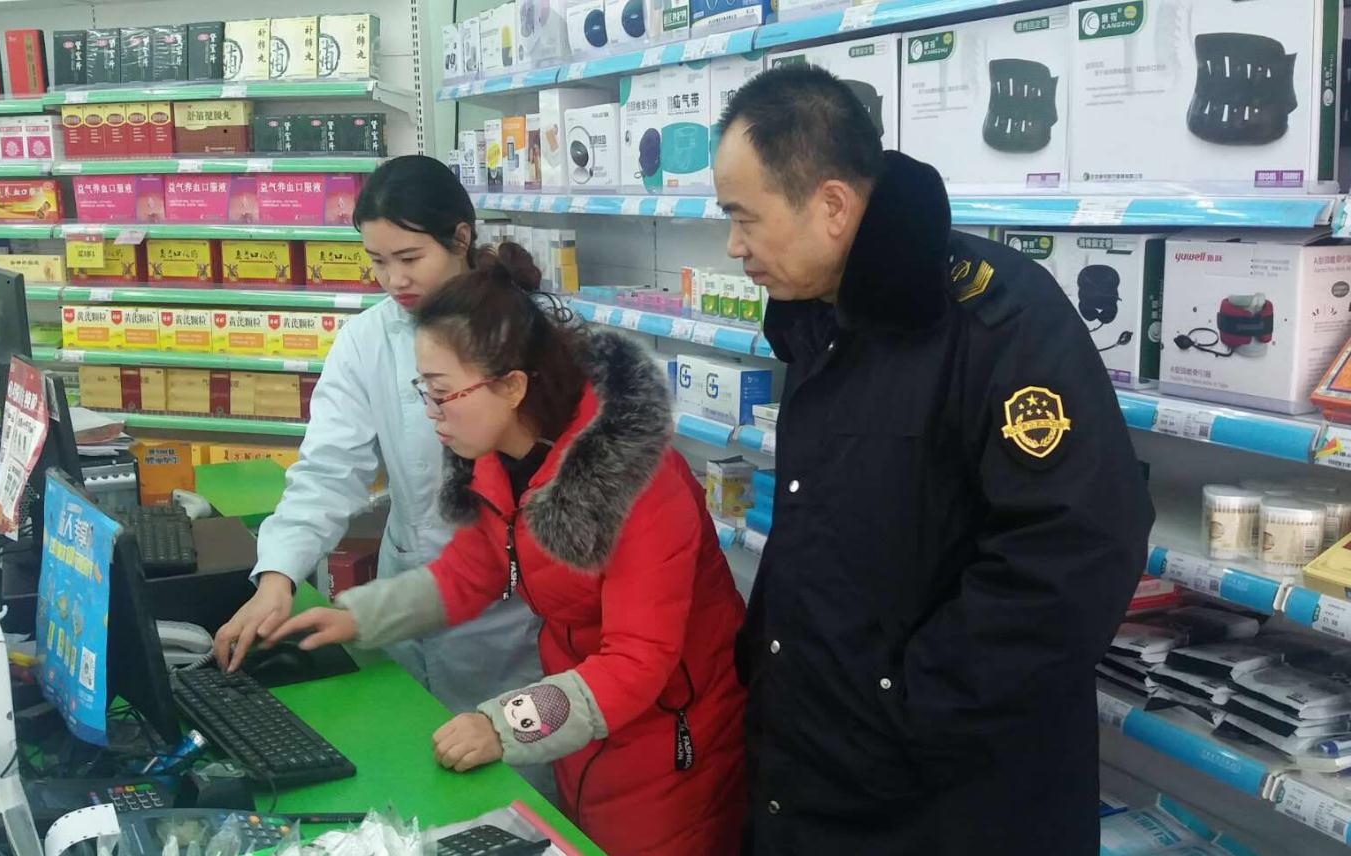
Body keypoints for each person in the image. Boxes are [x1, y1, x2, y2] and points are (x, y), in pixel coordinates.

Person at [712, 65, 1154, 854]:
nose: (733, 245)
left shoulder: (999, 322)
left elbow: (1075, 552)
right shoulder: (820, 319)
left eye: (744, 218)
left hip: (947, 802)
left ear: (833, 206)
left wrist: (910, 710)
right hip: (824, 776)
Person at [268, 244, 747, 856]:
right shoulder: (503, 456)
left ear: (513, 386)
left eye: (442, 392)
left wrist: (502, 724)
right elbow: (470, 572)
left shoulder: (637, 482)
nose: (431, 414)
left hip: (671, 738)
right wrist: (355, 618)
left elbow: (636, 661)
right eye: (422, 389)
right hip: (582, 722)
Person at [211, 156, 547, 764]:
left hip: (507, 619)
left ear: (460, 238)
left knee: (516, 778)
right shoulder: (369, 339)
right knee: (416, 759)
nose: (393, 280)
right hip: (406, 591)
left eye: (409, 258)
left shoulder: (523, 333)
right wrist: (278, 578)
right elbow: (328, 470)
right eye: (377, 261)